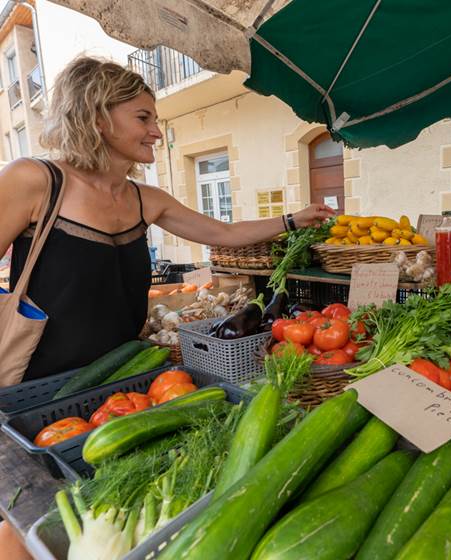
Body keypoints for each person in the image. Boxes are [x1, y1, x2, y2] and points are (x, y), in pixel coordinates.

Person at [0, 57, 334, 558]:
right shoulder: (34, 180)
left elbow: (223, 234)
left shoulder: (144, 198)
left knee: (107, 503)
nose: (157, 131)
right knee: (32, 517)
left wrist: (292, 220)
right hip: (35, 389)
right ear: (96, 116)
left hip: (125, 381)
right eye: (143, 118)